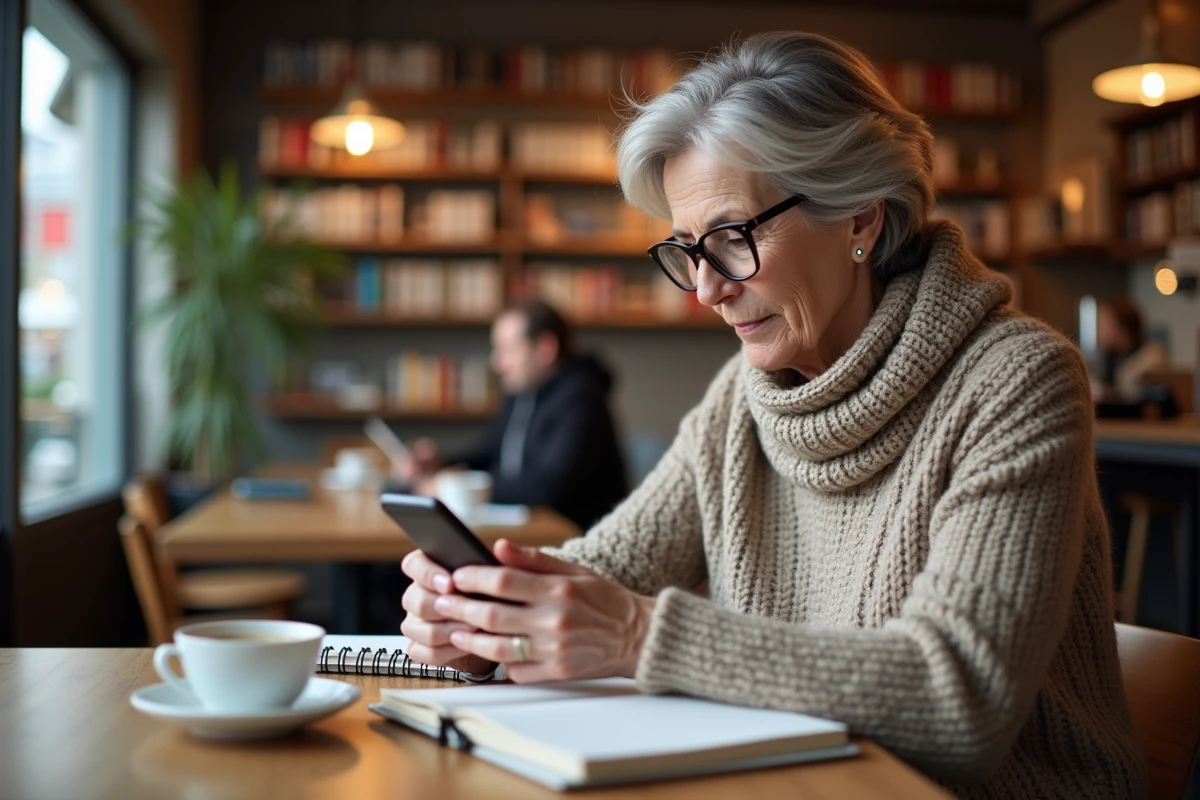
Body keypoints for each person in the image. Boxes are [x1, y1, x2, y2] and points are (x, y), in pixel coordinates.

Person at [397, 32, 1146, 797]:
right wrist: (486, 616)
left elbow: (957, 697)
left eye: (730, 239)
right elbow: (608, 570)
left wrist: (636, 633)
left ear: (860, 218)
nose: (705, 289)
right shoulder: (742, 398)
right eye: (687, 250)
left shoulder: (1017, 380)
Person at [400, 299, 627, 530]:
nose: (496, 363)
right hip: (525, 532)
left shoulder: (581, 399)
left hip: (570, 542)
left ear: (545, 349)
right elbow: (488, 451)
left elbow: (546, 487)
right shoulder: (524, 393)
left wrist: (450, 486)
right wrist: (439, 462)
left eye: (507, 350)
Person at [1094, 295, 1169, 401]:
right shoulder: (1111, 357)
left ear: (1122, 328)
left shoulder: (1152, 359)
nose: (1098, 332)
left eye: (1102, 325)